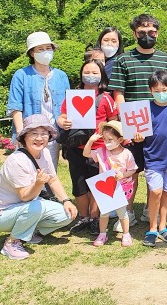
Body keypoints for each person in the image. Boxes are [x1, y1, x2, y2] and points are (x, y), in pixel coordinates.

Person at [108, 14, 167, 224]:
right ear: (134, 33)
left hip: (160, 122)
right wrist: (125, 125)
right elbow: (119, 93)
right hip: (133, 123)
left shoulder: (166, 60)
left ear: (158, 33)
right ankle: (127, 211)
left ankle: (148, 209)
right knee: (131, 169)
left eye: (152, 32)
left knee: (156, 168)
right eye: (142, 32)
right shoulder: (123, 59)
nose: (147, 35)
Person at [0, 114, 77, 260]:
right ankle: (11, 243)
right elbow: (25, 196)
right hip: (1, 214)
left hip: (27, 206)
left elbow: (53, 179)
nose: (39, 138)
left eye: (43, 134)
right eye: (34, 134)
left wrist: (66, 200)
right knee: (34, 206)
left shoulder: (45, 152)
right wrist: (38, 183)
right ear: (24, 137)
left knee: (66, 215)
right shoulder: (17, 161)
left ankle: (29, 231)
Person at [56, 60, 118, 235]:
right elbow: (61, 116)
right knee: (79, 184)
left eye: (95, 72)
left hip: (98, 149)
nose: (90, 75)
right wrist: (63, 122)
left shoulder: (106, 98)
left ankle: (95, 217)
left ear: (101, 76)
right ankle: (83, 217)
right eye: (87, 72)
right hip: (76, 147)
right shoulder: (72, 96)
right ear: (81, 74)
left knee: (97, 184)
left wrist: (107, 131)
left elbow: (113, 119)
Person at [136, 70, 167, 247]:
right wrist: (138, 137)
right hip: (153, 158)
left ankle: (163, 226)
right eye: (156, 90)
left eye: (164, 89)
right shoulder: (144, 109)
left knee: (166, 192)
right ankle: (152, 228)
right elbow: (137, 133)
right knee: (155, 191)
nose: (161, 93)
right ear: (150, 91)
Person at [7, 31, 70, 170]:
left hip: (52, 134)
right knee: (26, 172)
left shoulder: (61, 76)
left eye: (48, 48)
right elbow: (16, 106)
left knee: (48, 173)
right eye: (40, 49)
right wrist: (20, 135)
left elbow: (67, 106)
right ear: (32, 53)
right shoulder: (21, 75)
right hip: (29, 134)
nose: (46, 52)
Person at [83, 121, 137, 247]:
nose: (107, 142)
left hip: (121, 188)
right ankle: (102, 234)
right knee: (104, 213)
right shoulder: (101, 151)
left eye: (110, 139)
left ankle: (126, 233)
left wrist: (123, 175)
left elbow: (133, 169)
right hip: (105, 188)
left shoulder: (126, 154)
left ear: (120, 139)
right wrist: (91, 141)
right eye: (105, 139)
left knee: (122, 213)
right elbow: (86, 154)